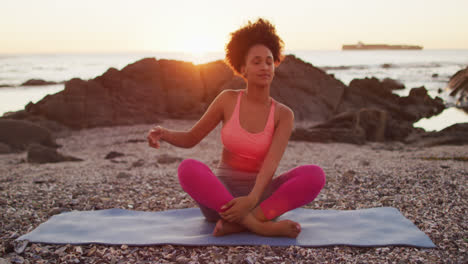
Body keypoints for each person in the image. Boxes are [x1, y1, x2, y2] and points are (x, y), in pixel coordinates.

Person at [147, 18, 325, 238]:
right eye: (257, 62)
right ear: (243, 68)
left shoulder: (283, 114)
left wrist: (251, 200)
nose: (264, 67)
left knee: (314, 175)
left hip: (261, 199)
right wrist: (164, 133)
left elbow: (271, 164)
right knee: (188, 168)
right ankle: (258, 226)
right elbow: (191, 138)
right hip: (220, 200)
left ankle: (242, 223)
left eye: (269, 62)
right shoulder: (227, 100)